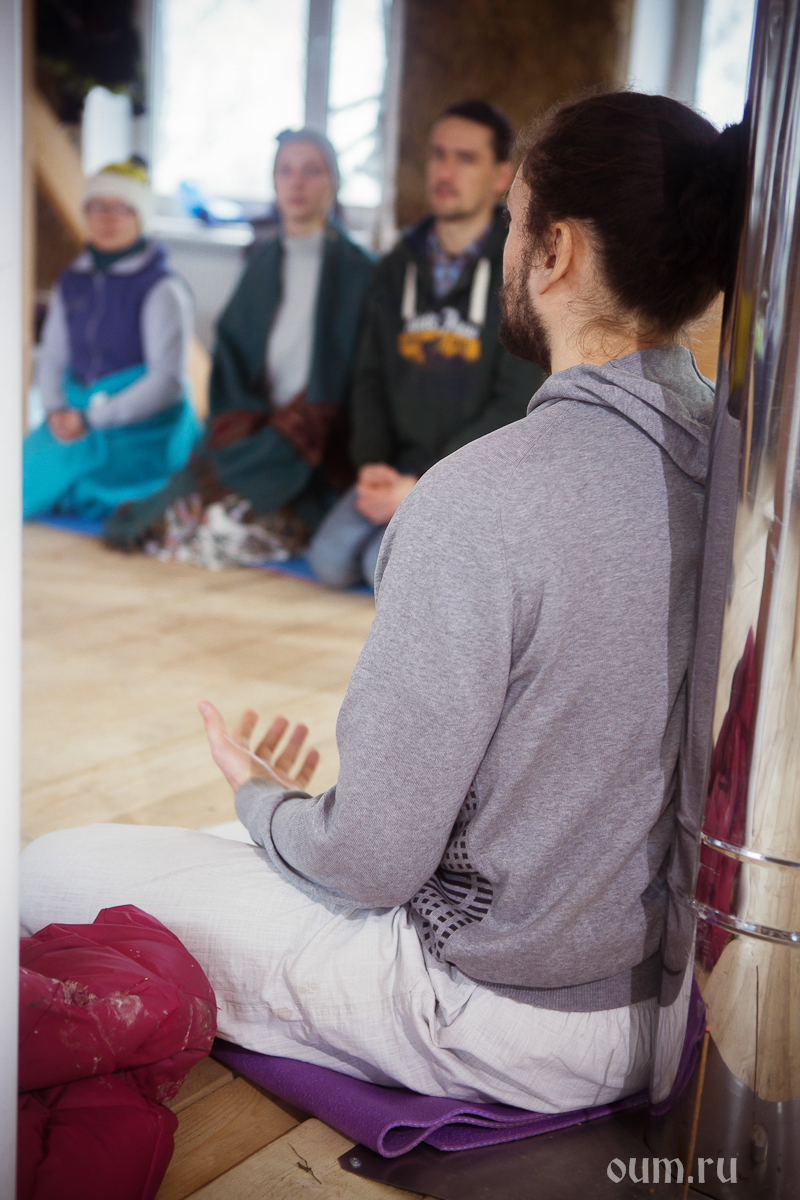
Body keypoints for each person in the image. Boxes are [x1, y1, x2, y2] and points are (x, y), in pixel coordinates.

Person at [20, 92, 746, 1113]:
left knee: (49, 870)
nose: (505, 245)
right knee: (240, 845)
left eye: (513, 221)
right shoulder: (749, 475)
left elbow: (369, 865)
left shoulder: (480, 498)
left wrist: (263, 799)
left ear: (556, 253)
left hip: (497, 1011)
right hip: (676, 1002)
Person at [104, 130, 374, 569]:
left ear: (333, 182)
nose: (297, 182)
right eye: (285, 170)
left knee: (230, 524)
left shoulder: (362, 272)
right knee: (170, 509)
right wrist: (253, 425)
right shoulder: (261, 261)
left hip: (318, 443)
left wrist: (300, 424)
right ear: (273, 182)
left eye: (312, 170)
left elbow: (366, 377)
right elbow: (232, 358)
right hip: (256, 429)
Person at [307, 99, 545, 589]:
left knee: (383, 569)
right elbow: (369, 376)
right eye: (439, 155)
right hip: (396, 469)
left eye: (466, 158)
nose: (446, 171)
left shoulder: (521, 274)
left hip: (469, 479)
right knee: (329, 562)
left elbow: (515, 403)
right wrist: (374, 466)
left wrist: (424, 486)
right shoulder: (396, 266)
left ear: (501, 177)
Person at [23, 161, 197, 521]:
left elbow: (166, 383)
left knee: (86, 488)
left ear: (140, 217)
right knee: (20, 477)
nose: (106, 218)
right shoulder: (72, 280)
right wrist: (55, 410)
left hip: (139, 425)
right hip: (75, 412)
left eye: (120, 208)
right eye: (97, 206)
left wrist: (91, 419)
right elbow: (53, 356)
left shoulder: (161, 287)